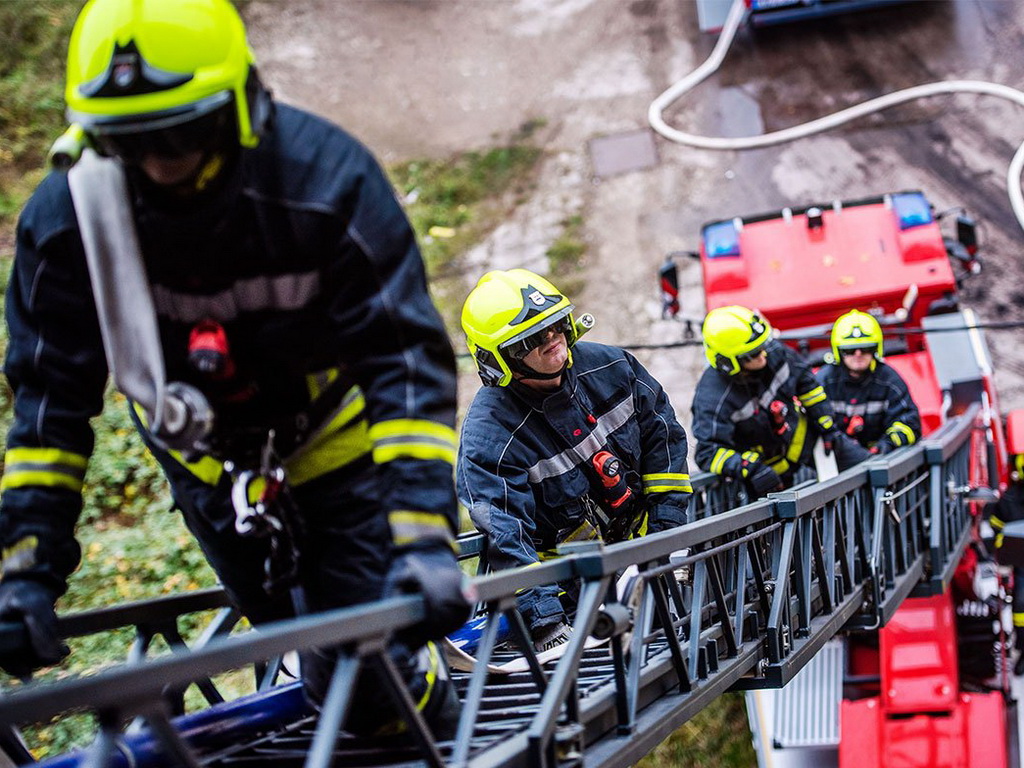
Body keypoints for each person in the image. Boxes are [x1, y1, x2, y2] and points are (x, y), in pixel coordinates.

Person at [0, 0, 469, 738]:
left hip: (335, 451)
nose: (160, 162)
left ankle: (416, 686)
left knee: (368, 690)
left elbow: (404, 362)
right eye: (131, 142)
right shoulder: (68, 225)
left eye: (181, 134)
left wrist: (422, 535)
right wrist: (27, 569)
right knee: (288, 634)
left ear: (244, 102)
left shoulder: (324, 184)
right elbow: (48, 406)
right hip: (209, 466)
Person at [456, 269, 692, 651]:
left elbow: (664, 440)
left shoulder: (614, 368)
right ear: (498, 359)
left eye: (556, 325)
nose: (552, 339)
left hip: (649, 555)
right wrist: (545, 620)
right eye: (533, 337)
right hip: (576, 596)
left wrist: (666, 535)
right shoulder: (490, 437)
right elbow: (505, 533)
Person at [692, 305, 867, 497]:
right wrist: (748, 468)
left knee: (868, 469)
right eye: (754, 353)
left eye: (763, 346)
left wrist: (826, 425)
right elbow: (707, 453)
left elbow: (807, 383)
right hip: (764, 475)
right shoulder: (713, 398)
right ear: (728, 362)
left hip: (804, 442)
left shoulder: (774, 352)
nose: (763, 356)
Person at [817, 310, 920, 454]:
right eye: (850, 350)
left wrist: (887, 444)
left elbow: (910, 424)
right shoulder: (824, 382)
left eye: (866, 348)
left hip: (883, 460)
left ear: (876, 349)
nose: (858, 354)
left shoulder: (890, 381)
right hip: (836, 461)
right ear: (838, 351)